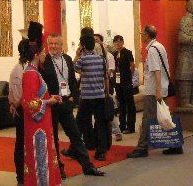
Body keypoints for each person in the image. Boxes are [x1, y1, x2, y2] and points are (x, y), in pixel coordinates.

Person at [41, 34, 105, 178]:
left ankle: (87, 167)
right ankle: (59, 168)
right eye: (51, 44)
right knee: (54, 138)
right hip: (52, 103)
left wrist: (72, 97)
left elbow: (72, 81)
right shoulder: (44, 61)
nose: (53, 46)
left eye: (56, 43)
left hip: (66, 102)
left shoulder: (68, 59)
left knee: (76, 135)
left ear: (61, 45)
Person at [127, 25, 180, 158]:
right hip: (161, 87)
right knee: (165, 115)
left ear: (147, 35)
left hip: (153, 90)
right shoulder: (160, 46)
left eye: (142, 34)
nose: (141, 36)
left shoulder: (152, 50)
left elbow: (157, 71)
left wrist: (157, 91)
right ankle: (175, 144)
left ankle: (142, 147)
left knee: (148, 118)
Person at [21, 39, 63, 186]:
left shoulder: (33, 72)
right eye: (43, 52)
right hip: (37, 126)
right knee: (40, 159)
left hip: (42, 123)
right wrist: (48, 102)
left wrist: (49, 98)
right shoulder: (31, 74)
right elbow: (29, 102)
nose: (45, 54)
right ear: (37, 55)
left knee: (44, 157)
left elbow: (37, 98)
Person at [74, 28, 109, 161]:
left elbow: (73, 68)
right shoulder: (101, 59)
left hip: (87, 97)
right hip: (100, 95)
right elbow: (105, 76)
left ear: (83, 46)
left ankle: (75, 149)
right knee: (101, 124)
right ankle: (101, 152)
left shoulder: (83, 59)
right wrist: (106, 92)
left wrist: (77, 55)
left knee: (79, 123)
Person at [9, 40, 28, 186]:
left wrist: (12, 103)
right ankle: (22, 176)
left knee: (21, 143)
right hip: (26, 109)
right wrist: (15, 103)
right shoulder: (23, 69)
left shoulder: (16, 68)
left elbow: (12, 90)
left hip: (21, 107)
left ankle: (21, 176)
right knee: (22, 143)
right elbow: (21, 91)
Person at [112, 35, 136, 135]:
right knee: (121, 103)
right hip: (118, 82)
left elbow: (132, 66)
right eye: (116, 42)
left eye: (119, 41)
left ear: (122, 42)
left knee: (129, 104)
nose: (118, 43)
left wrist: (129, 75)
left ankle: (131, 126)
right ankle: (122, 125)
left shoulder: (127, 52)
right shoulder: (114, 54)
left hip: (126, 81)